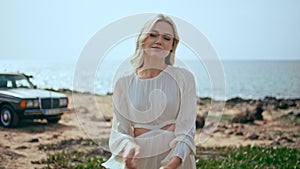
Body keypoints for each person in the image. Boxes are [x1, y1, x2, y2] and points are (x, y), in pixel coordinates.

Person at [102, 14, 197, 169]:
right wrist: (129, 148)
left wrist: (174, 162)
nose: (159, 41)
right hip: (138, 160)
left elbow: (187, 128)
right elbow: (120, 130)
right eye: (153, 35)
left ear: (173, 45)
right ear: (142, 39)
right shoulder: (124, 82)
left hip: (174, 159)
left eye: (167, 38)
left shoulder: (184, 78)